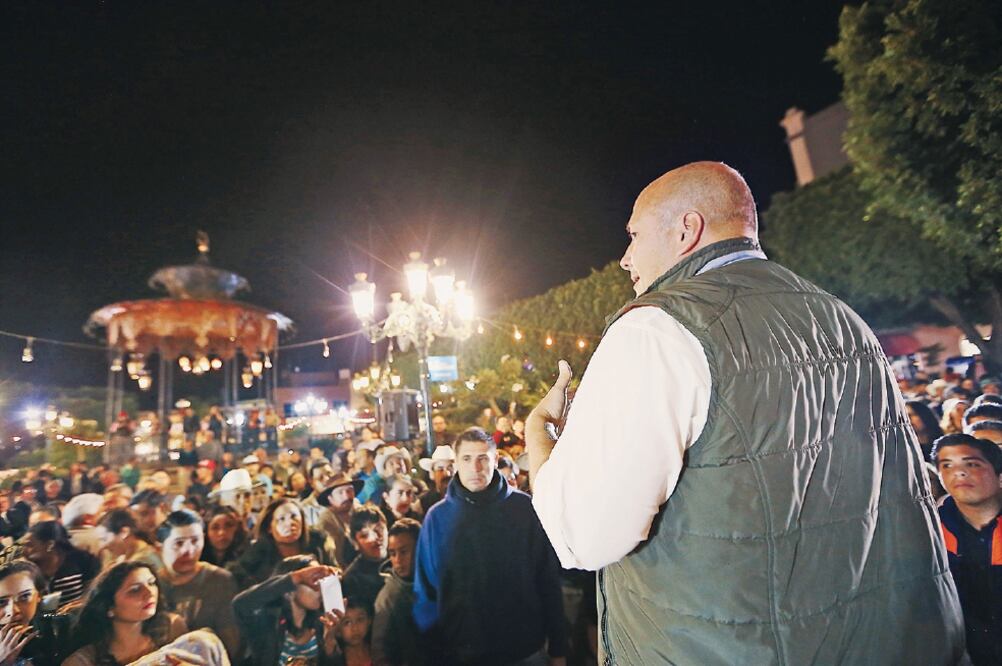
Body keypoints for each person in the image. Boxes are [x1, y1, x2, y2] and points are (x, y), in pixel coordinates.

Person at [526, 161, 963, 664]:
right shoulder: (844, 319)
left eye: (634, 234)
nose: (625, 258)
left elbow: (584, 537)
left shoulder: (655, 330)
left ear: (686, 229)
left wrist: (540, 435)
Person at [414, 427, 567, 665]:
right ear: (455, 463)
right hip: (463, 654)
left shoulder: (524, 510)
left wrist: (559, 648)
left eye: (482, 458)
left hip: (524, 649)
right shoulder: (437, 518)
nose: (475, 468)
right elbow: (426, 593)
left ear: (495, 460)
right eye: (466, 459)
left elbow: (547, 579)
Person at [933, 434, 1002, 666]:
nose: (959, 473)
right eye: (947, 465)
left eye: (972, 464)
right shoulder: (930, 533)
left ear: (999, 476)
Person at [62, 561, 187, 666]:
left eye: (151, 583)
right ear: (109, 607)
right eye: (135, 590)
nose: (150, 593)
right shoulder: (83, 661)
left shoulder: (172, 628)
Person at [156, 510, 241, 659]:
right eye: (179, 543)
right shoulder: (152, 584)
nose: (188, 551)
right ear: (160, 546)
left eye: (195, 541)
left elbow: (230, 642)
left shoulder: (219, 580)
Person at [231, 555, 344, 665]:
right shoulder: (268, 625)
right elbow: (240, 605)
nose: (320, 588)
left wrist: (330, 644)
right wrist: (297, 577)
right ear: (289, 590)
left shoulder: (322, 623)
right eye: (314, 581)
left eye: (322, 581)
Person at [228, 498, 336, 588]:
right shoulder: (259, 551)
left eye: (294, 517)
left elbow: (334, 570)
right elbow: (237, 574)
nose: (290, 523)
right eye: (281, 519)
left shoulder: (317, 544)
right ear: (270, 527)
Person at [372, 518, 423, 666]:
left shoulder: (437, 580)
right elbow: (380, 654)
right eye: (392, 553)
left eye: (404, 552)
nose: (398, 560)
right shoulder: (388, 599)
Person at [22, 522, 99, 606]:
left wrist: (79, 605)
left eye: (29, 545)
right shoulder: (27, 570)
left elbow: (93, 593)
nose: (24, 550)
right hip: (45, 617)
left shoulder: (82, 560)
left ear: (50, 545)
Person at [0, 559, 57, 665]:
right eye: (1, 602)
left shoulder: (55, 628)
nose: (13, 610)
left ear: (39, 595)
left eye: (25, 596)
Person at [341, 506, 387, 611]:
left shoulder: (401, 557)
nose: (375, 538)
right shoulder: (352, 579)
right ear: (355, 543)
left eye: (379, 529)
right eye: (365, 535)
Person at [315, 473, 365, 569]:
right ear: (330, 499)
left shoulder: (360, 510)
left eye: (349, 490)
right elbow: (333, 557)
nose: (346, 496)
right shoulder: (326, 521)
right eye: (340, 492)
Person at [417, 446, 455, 514]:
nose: (447, 474)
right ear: (432, 474)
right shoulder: (423, 502)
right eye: (440, 469)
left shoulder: (465, 497)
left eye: (450, 468)